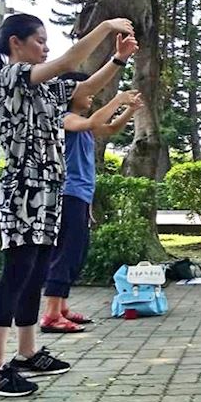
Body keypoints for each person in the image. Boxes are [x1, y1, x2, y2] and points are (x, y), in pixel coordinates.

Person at [0, 13, 136, 397]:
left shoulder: (46, 91)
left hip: (49, 192)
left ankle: (27, 352)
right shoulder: (10, 77)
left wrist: (118, 60)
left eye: (47, 42)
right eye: (39, 41)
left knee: (35, 274)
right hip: (23, 191)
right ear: (15, 43)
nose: (45, 48)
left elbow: (86, 87)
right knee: (16, 274)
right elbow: (67, 62)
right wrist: (105, 27)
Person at [40, 87, 144, 334]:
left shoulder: (83, 125)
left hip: (80, 196)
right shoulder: (64, 118)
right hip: (68, 194)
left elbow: (110, 129)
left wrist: (130, 110)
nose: (91, 96)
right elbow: (93, 122)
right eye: (86, 91)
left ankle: (61, 308)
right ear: (69, 94)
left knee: (76, 252)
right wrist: (118, 99)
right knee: (65, 253)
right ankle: (51, 314)